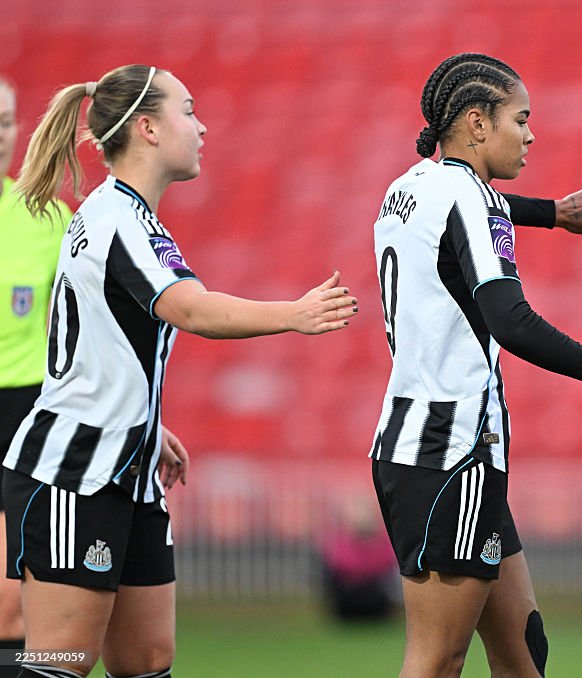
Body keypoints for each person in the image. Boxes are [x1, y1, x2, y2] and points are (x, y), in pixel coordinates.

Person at [3, 64, 358, 678]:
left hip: (129, 467)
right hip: (74, 474)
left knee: (147, 660)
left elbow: (97, 344)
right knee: (58, 662)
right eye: (187, 111)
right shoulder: (117, 216)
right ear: (146, 128)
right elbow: (189, 308)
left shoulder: (132, 218)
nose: (201, 126)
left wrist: (145, 424)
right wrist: (293, 313)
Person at [370, 52, 582, 678]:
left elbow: (466, 219)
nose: (531, 135)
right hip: (448, 451)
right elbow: (512, 321)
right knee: (435, 660)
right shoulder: (471, 201)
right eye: (520, 120)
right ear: (478, 124)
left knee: (522, 654)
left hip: (427, 444)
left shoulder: (408, 188)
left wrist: (554, 213)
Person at [0, 75, 71, 677]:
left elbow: (80, 333)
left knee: (14, 611)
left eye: (6, 120)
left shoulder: (46, 217)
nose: (1, 135)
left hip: (23, 410)